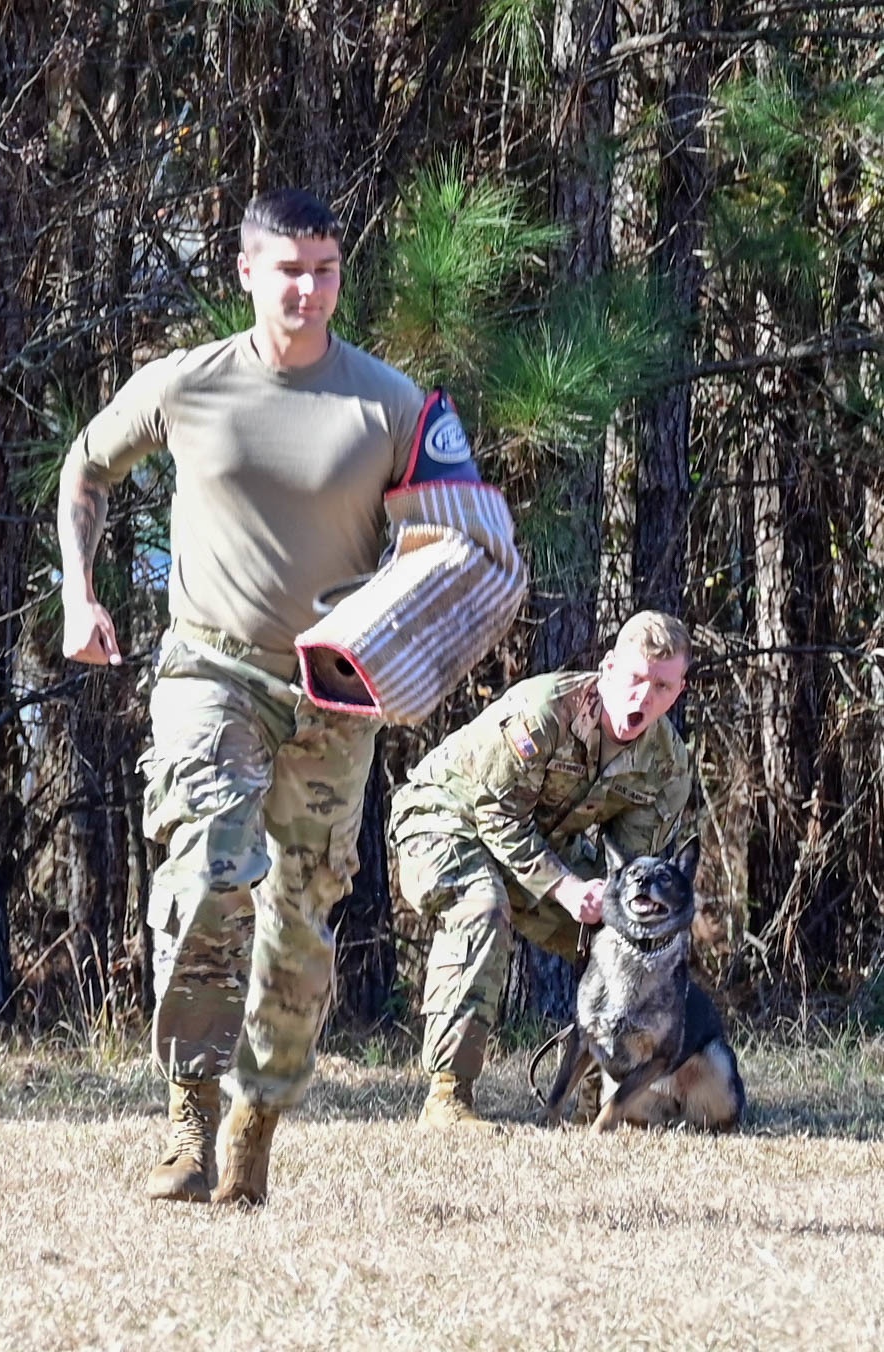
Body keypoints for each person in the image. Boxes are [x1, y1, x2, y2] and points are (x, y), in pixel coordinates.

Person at [56, 187, 516, 1205]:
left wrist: (427, 623)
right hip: (209, 667)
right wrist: (78, 593)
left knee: (300, 921)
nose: (308, 289)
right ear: (246, 271)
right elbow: (85, 469)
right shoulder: (188, 383)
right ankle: (188, 1114)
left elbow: (464, 537)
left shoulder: (392, 402)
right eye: (288, 269)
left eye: (326, 269)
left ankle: (259, 1116)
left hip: (333, 689)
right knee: (216, 864)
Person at [388, 609, 694, 1131]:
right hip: (447, 816)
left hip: (539, 845)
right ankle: (447, 1098)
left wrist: (601, 904)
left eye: (662, 686)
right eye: (636, 678)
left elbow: (629, 876)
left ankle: (600, 1097)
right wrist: (567, 886)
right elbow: (494, 813)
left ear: (679, 690)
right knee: (481, 906)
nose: (644, 697)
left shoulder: (667, 766)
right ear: (609, 669)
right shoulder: (544, 710)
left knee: (615, 934)